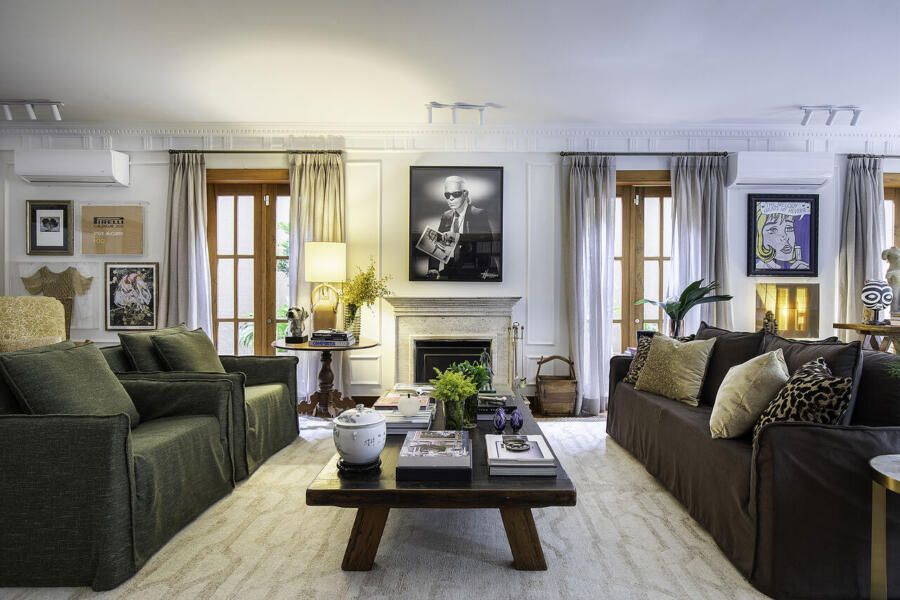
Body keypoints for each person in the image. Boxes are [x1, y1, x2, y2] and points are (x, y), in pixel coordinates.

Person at [426, 175, 497, 279]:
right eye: (447, 195)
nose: (451, 198)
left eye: (456, 194)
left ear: (465, 194)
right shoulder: (446, 216)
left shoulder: (477, 214)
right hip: (451, 270)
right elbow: (438, 243)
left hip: (473, 270)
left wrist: (457, 237)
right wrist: (434, 268)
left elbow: (486, 242)